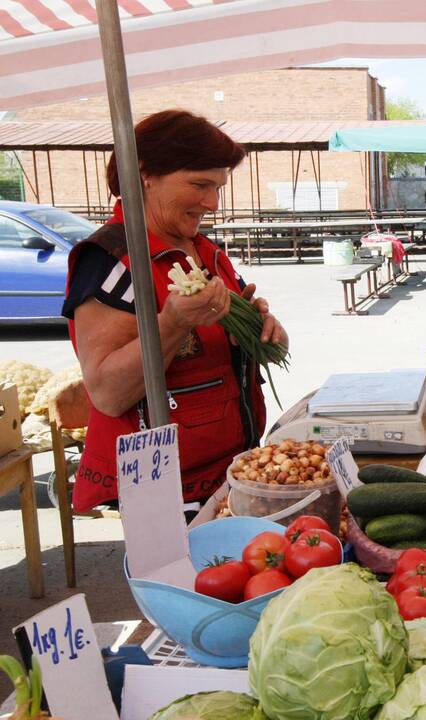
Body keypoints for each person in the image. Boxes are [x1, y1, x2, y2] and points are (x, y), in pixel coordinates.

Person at [62, 109, 287, 512]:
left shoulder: (205, 252)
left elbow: (224, 347)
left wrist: (260, 329)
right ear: (145, 174)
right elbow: (107, 393)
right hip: (163, 487)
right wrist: (174, 324)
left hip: (230, 468)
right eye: (200, 185)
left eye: (218, 187)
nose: (212, 204)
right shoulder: (111, 260)